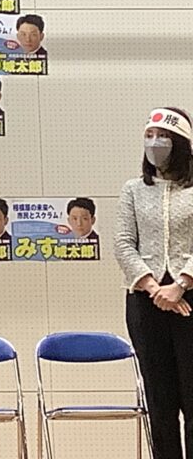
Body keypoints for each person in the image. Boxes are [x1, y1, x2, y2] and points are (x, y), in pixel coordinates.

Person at [115, 107, 193, 459]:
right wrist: (153, 287)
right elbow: (123, 243)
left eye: (163, 137)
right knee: (160, 401)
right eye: (149, 136)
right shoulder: (133, 190)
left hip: (189, 299)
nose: (155, 143)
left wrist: (181, 284)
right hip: (145, 302)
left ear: (181, 143)